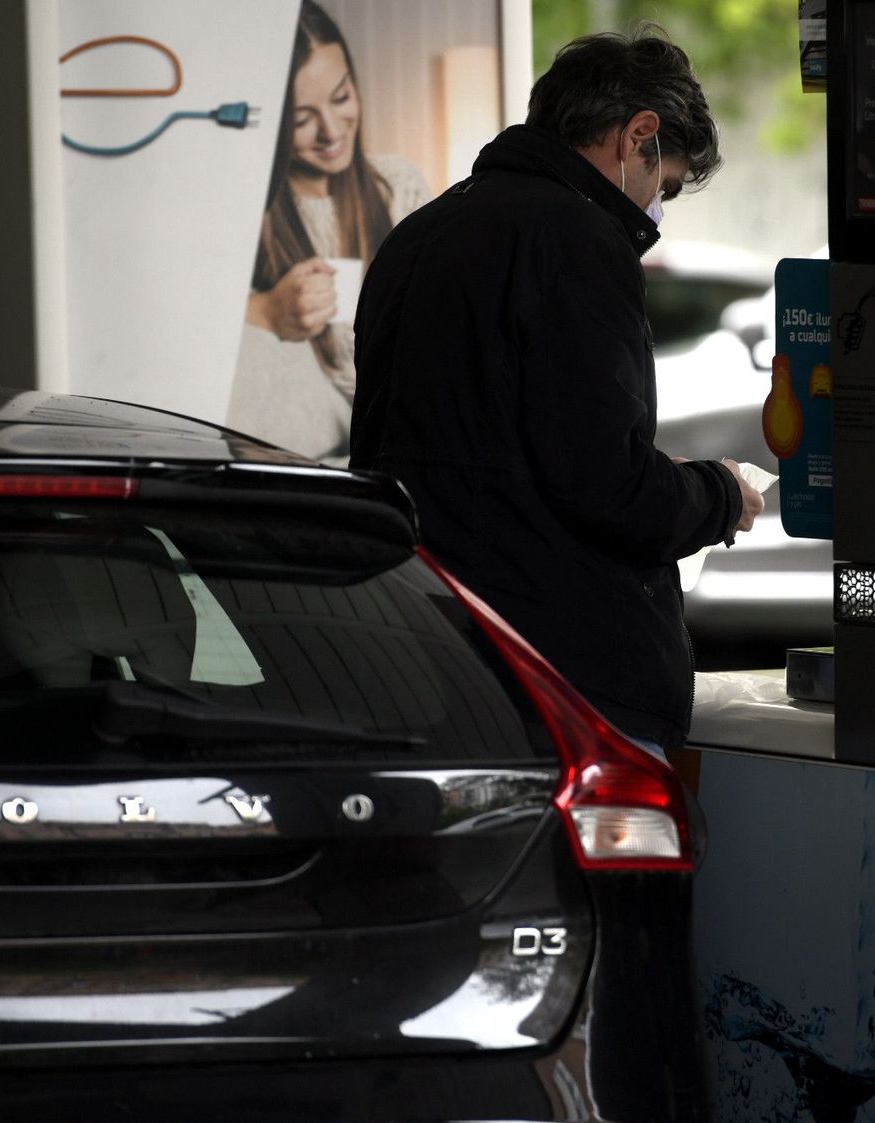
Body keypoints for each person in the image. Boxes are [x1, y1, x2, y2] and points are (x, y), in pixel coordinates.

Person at [350, 27, 765, 755]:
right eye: (664, 185)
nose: (656, 210)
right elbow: (605, 485)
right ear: (638, 135)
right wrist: (721, 495)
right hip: (555, 679)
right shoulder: (578, 238)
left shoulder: (417, 233)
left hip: (419, 651)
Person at [227, 0, 432, 463]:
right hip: (297, 434)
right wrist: (265, 311)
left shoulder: (396, 185)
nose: (331, 130)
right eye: (301, 119)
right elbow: (192, 326)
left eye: (341, 97)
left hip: (398, 421)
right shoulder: (246, 209)